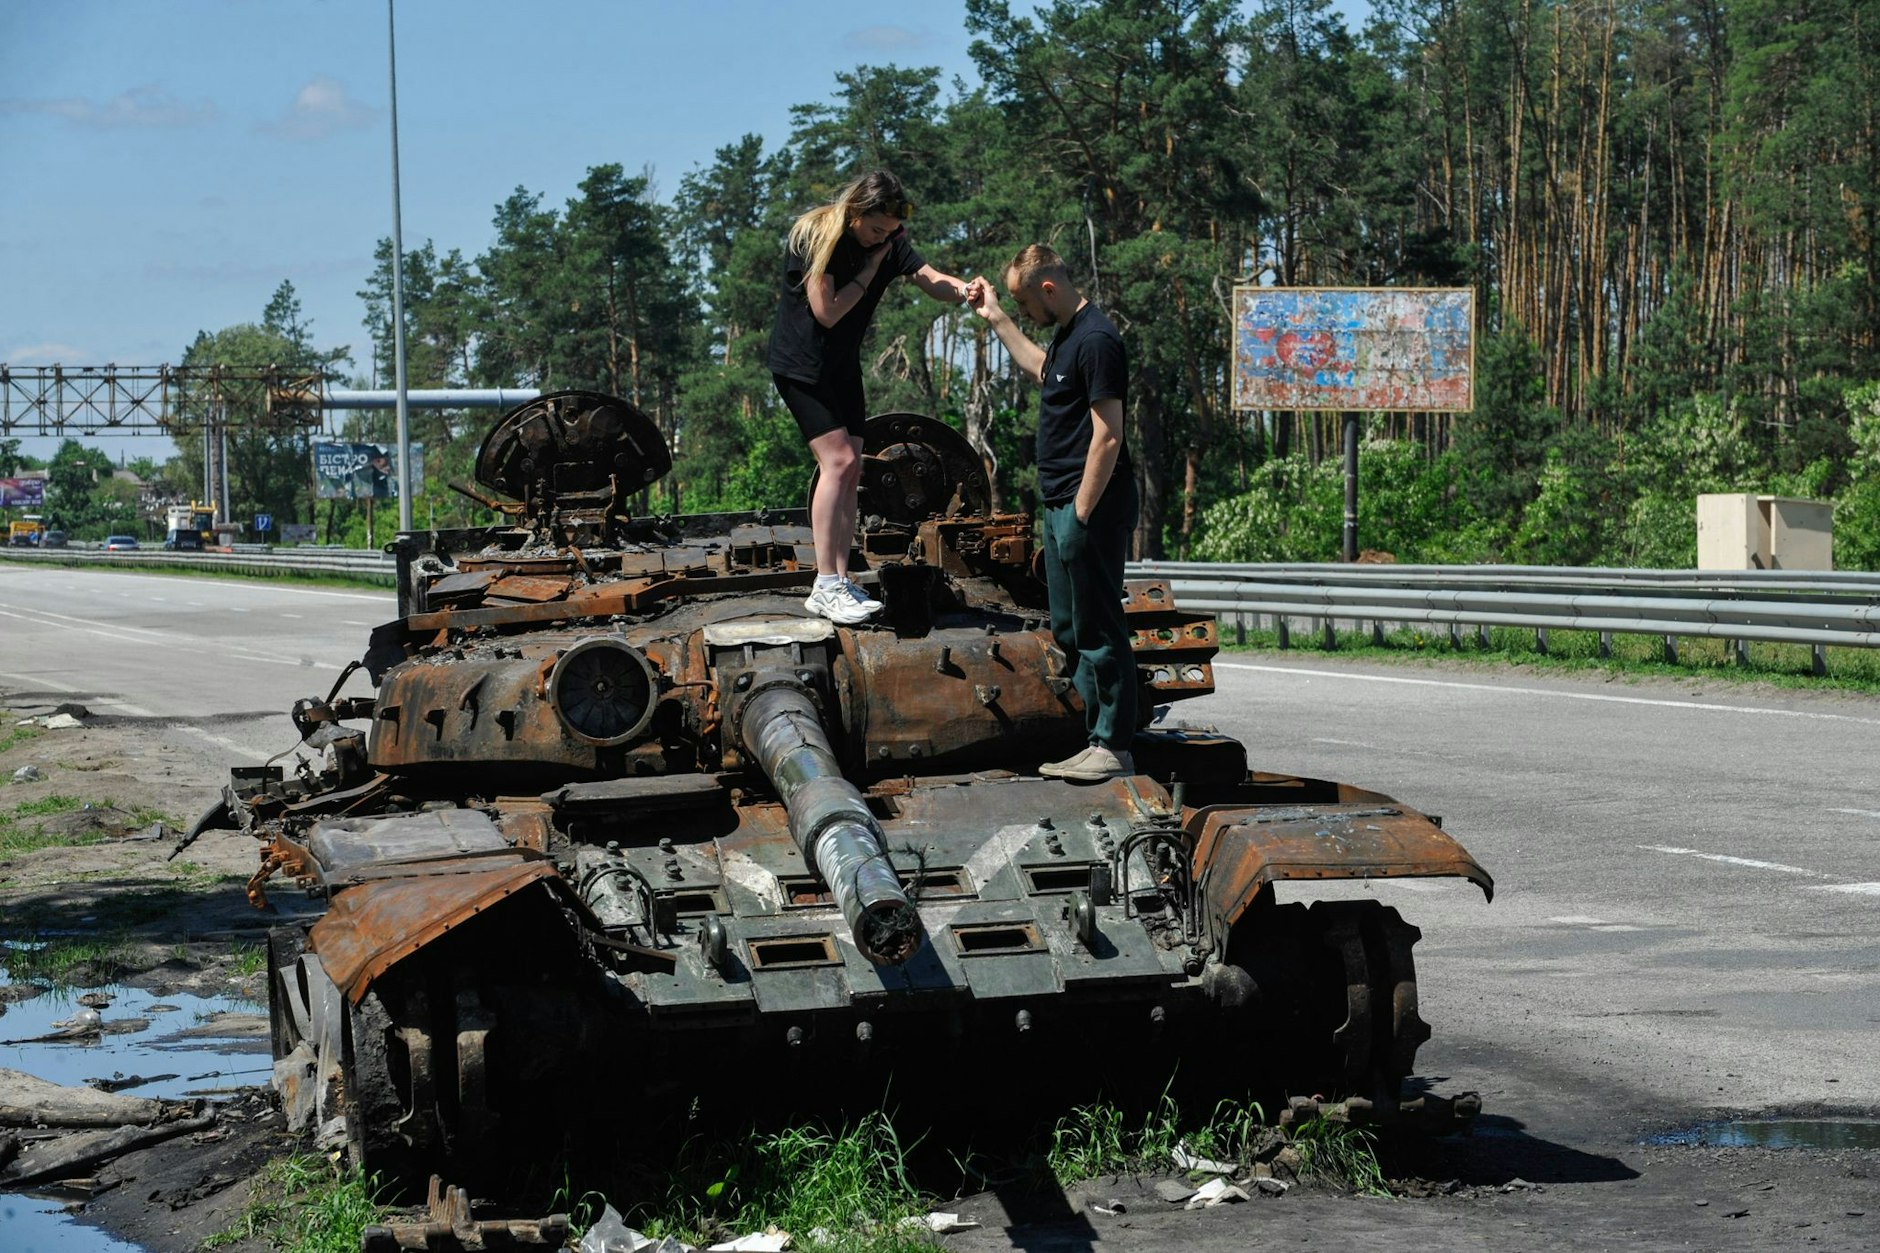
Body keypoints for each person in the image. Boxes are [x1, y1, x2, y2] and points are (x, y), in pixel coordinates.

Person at [767, 171, 973, 624]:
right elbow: (826, 311)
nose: (885, 237)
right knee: (837, 463)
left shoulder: (890, 239)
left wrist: (963, 291)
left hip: (841, 366)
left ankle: (840, 579)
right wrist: (869, 271)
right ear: (856, 213)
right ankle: (824, 583)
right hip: (802, 365)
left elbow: (928, 277)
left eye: (890, 230)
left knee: (852, 466)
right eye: (877, 229)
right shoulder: (816, 234)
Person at [966, 245, 1138, 782]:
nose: (1024, 314)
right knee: (1068, 625)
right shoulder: (1067, 337)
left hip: (1090, 504)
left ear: (1048, 289)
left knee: (1098, 625)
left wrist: (1082, 513)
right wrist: (994, 315)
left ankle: (1113, 744)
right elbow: (1042, 368)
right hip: (1061, 501)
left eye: (1022, 302)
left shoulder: (1098, 339)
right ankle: (1095, 737)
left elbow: (1109, 434)